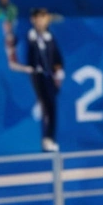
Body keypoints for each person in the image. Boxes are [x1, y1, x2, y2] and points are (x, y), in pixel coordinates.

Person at [26, 8, 65, 152]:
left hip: (49, 77)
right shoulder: (30, 37)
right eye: (39, 18)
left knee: (52, 107)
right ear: (33, 20)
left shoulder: (50, 37)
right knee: (42, 108)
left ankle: (49, 138)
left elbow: (57, 58)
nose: (42, 21)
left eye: (44, 18)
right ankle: (41, 138)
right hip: (36, 77)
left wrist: (58, 71)